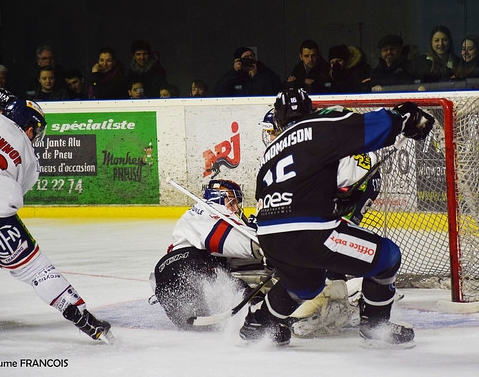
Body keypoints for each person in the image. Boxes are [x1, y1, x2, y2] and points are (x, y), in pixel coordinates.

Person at [239, 88, 434, 347]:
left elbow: (265, 197)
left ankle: (257, 324)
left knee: (305, 286)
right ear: (309, 110)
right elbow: (363, 128)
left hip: (270, 236)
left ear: (279, 119)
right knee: (387, 257)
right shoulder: (319, 125)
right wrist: (402, 118)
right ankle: (375, 328)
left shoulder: (270, 153)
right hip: (313, 234)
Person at [0, 98, 112, 342]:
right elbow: (16, 189)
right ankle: (82, 317)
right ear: (29, 129)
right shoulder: (31, 161)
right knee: (36, 269)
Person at [152, 179, 265, 331]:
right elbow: (247, 244)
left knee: (203, 326)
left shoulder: (196, 215)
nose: (236, 208)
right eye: (232, 202)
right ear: (220, 198)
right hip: (188, 266)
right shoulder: (212, 211)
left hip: (167, 281)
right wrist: (264, 237)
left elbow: (239, 258)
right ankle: (263, 320)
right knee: (244, 291)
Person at [212, 47, 282, 97]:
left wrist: (256, 76)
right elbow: (218, 91)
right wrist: (234, 71)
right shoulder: (234, 76)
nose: (250, 59)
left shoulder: (265, 72)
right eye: (246, 58)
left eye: (252, 56)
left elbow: (274, 90)